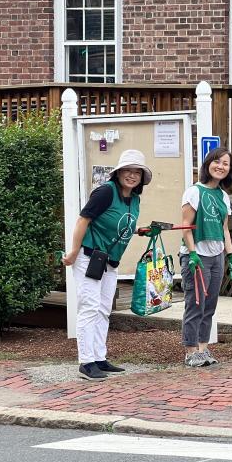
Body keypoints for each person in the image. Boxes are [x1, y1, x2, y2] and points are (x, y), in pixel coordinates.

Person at [63, 149, 151, 381]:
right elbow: (84, 219)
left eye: (137, 173)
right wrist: (73, 251)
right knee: (89, 307)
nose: (132, 176)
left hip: (110, 261)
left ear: (141, 178)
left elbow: (119, 225)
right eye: (128, 171)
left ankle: (99, 357)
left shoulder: (134, 199)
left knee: (103, 309)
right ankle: (86, 361)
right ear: (119, 172)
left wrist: (139, 230)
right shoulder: (105, 192)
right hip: (89, 256)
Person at [179, 147, 232, 368]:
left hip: (217, 255)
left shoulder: (223, 196)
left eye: (226, 164)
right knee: (195, 304)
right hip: (196, 256)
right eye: (217, 161)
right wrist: (193, 253)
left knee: (210, 304)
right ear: (208, 164)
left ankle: (203, 349)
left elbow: (224, 229)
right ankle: (190, 352)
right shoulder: (194, 192)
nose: (221, 166)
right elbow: (186, 227)